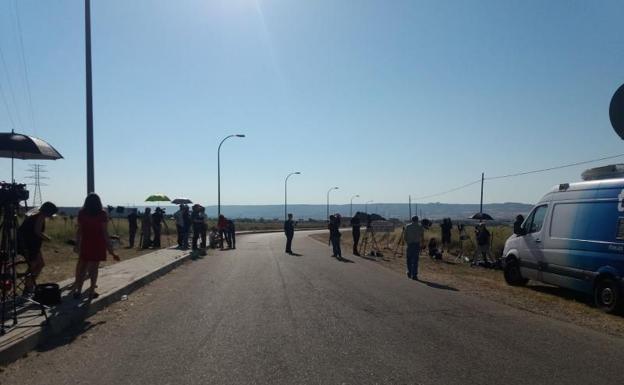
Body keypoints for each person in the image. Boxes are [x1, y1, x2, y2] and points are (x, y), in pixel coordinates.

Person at [72, 193, 120, 299]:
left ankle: (78, 291)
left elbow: (79, 230)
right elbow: (104, 232)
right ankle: (91, 291)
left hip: (85, 242)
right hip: (98, 243)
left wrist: (77, 244)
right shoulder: (102, 214)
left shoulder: (82, 213)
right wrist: (111, 251)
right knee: (94, 269)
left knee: (82, 268)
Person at [17, 201, 58, 295]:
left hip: (31, 244)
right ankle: (28, 288)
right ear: (48, 211)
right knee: (34, 265)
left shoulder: (37, 215)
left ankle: (30, 285)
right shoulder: (40, 216)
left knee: (40, 264)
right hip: (28, 245)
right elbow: (37, 231)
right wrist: (47, 238)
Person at [404, 216, 424, 280]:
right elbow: (422, 236)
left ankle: (409, 272)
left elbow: (405, 237)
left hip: (409, 244)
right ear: (417, 220)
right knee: (415, 260)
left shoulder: (408, 226)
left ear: (412, 220)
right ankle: (414, 275)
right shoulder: (420, 227)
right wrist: (422, 244)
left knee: (409, 259)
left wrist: (407, 242)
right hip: (416, 244)